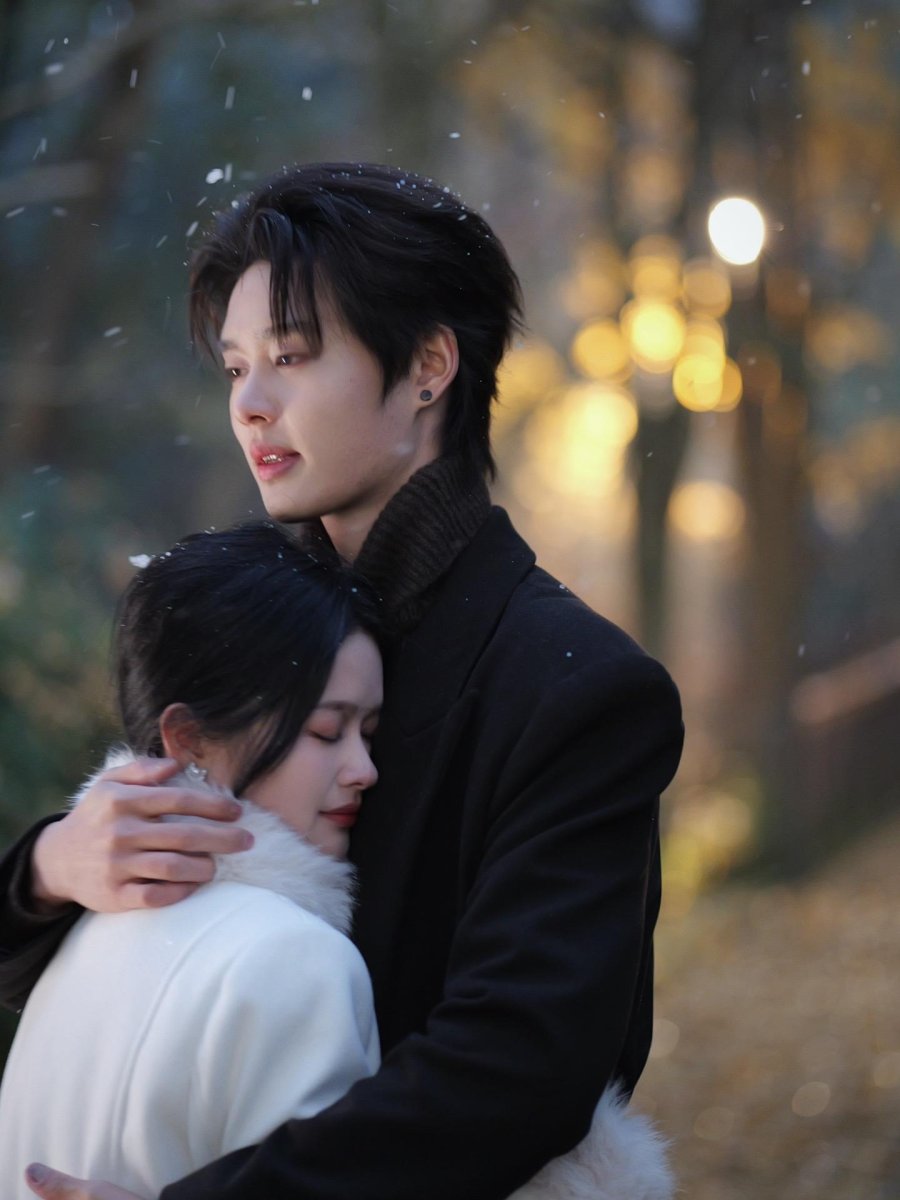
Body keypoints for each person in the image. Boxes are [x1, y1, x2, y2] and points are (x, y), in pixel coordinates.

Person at [0, 162, 684, 1200]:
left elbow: (516, 1069)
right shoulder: (247, 623)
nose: (251, 405)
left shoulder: (576, 688)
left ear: (428, 366)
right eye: (236, 368)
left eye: (291, 357)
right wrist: (51, 866)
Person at [0, 520, 384, 1196]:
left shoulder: (81, 931)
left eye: (370, 732)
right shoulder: (297, 960)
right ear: (190, 739)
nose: (365, 769)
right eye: (327, 731)